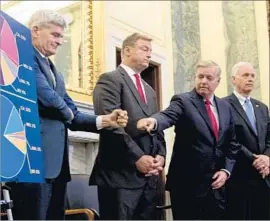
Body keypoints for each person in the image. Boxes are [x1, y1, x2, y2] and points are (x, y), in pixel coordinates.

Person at [9, 10, 128, 220]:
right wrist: (69, 113)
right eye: (55, 35)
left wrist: (105, 120)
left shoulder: (55, 71)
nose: (60, 41)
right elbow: (47, 97)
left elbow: (71, 111)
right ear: (35, 31)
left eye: (61, 36)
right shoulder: (22, 57)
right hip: (32, 162)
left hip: (57, 165)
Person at [137, 60, 240, 220]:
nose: (203, 81)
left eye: (209, 77)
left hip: (216, 188)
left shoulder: (225, 107)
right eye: (200, 77)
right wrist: (155, 122)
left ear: (218, 81)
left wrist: (226, 171)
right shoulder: (183, 101)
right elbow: (168, 115)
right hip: (187, 186)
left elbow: (232, 144)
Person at [89, 33, 166, 220]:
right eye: (144, 49)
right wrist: (138, 158)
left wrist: (161, 155)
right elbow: (111, 125)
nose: (149, 55)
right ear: (127, 50)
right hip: (120, 176)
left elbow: (157, 125)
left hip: (149, 179)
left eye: (151, 51)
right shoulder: (110, 80)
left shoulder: (150, 90)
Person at [223, 62, 270, 220]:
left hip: (263, 177)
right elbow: (229, 138)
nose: (250, 79)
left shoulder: (262, 107)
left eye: (252, 76)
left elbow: (268, 137)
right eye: (245, 75)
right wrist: (254, 159)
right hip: (238, 177)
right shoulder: (224, 105)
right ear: (234, 79)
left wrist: (267, 157)